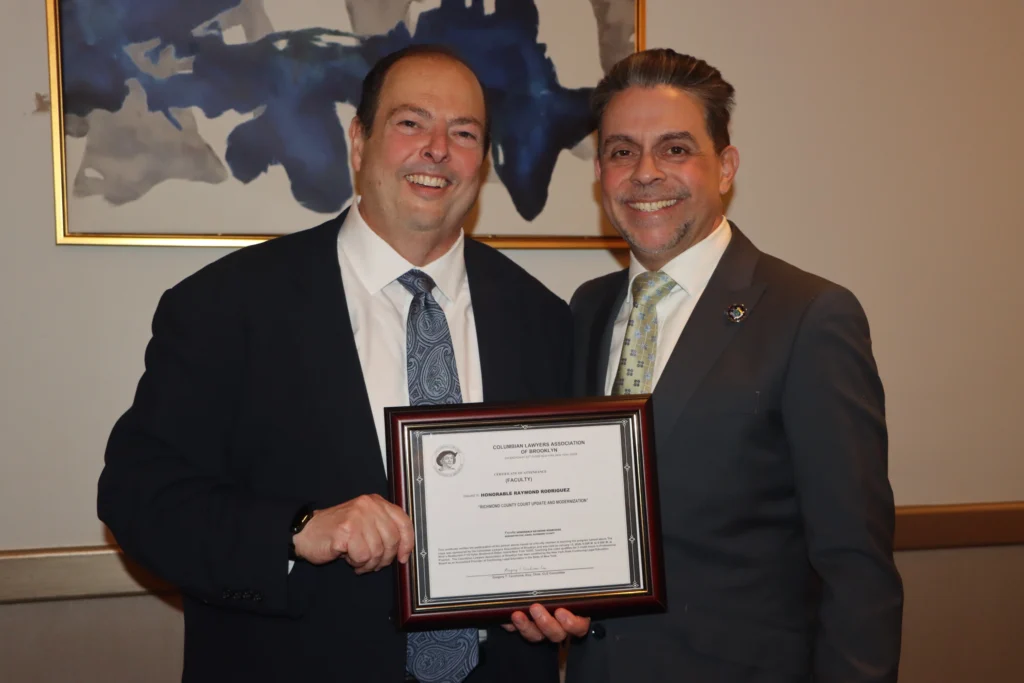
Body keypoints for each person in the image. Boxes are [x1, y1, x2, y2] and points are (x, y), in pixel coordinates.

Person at [97, 45, 569, 683]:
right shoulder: (226, 306)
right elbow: (138, 498)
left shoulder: (544, 319)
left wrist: (570, 599)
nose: (436, 149)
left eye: (464, 133)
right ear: (359, 141)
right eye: (411, 123)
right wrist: (297, 528)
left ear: (480, 163)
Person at [507, 48, 904, 682]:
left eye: (675, 149)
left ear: (724, 168)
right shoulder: (588, 308)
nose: (644, 173)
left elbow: (855, 563)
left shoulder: (810, 316)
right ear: (600, 174)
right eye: (621, 151)